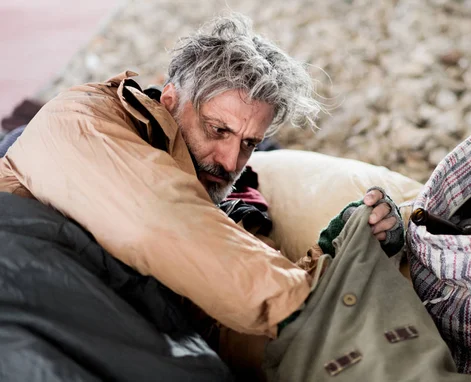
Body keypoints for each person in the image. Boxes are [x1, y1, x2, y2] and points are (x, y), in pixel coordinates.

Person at [0, 13, 400, 341]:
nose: (230, 160)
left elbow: (223, 302)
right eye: (217, 130)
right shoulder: (83, 114)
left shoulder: (224, 209)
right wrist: (314, 296)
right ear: (170, 100)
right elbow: (159, 221)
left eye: (249, 143)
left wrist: (341, 248)